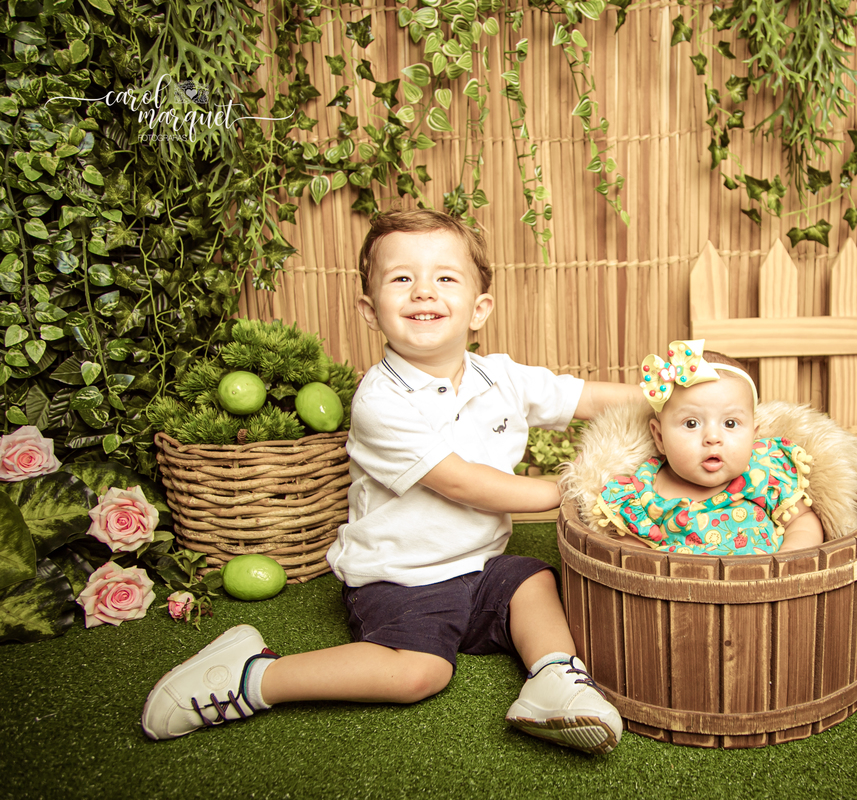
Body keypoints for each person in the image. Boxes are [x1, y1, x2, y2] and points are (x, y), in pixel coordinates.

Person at [141, 210, 641, 755]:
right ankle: (252, 677)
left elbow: (588, 399)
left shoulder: (502, 377)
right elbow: (465, 484)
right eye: (402, 278)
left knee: (531, 582)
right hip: (401, 577)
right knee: (419, 675)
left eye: (445, 278)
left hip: (480, 566)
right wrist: (571, 490)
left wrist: (672, 395)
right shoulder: (379, 401)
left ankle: (553, 680)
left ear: (479, 310)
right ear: (370, 310)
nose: (424, 290)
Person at [592, 341, 824, 555]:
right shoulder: (646, 489)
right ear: (660, 437)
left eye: (730, 423)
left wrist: (789, 556)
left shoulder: (763, 472)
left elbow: (801, 520)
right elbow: (632, 547)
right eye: (691, 423)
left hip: (764, 588)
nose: (713, 437)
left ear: (753, 436)